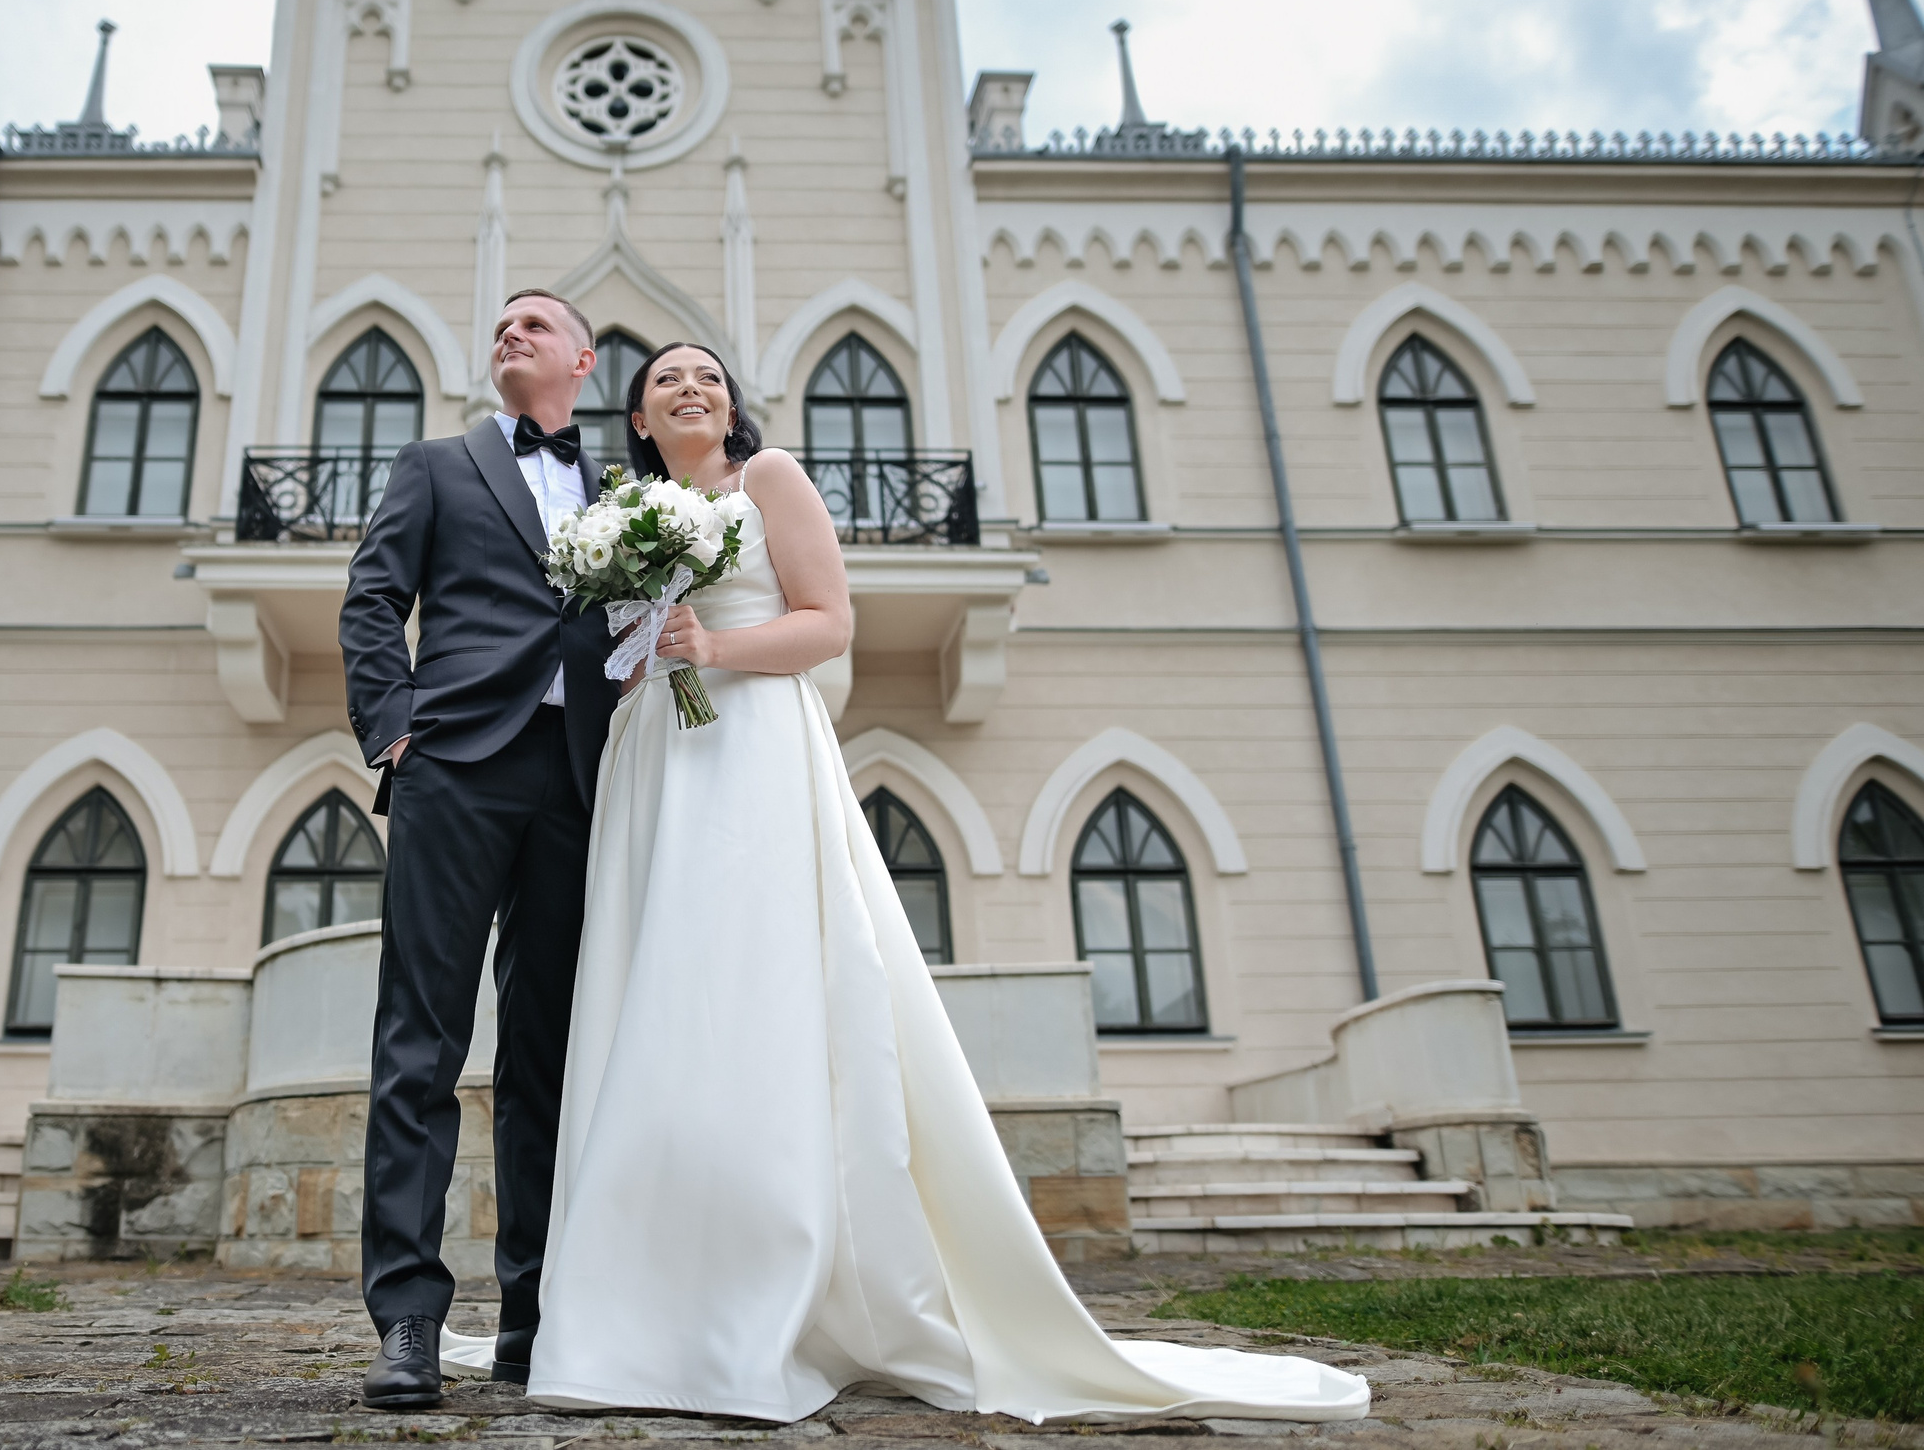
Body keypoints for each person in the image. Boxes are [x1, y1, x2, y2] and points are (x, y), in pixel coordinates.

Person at [445, 342, 1369, 1426]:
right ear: (639, 421)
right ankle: (640, 1295)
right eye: (664, 383)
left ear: (730, 405)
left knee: (749, 982)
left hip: (748, 745)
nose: (688, 388)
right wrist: (652, 651)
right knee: (659, 996)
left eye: (705, 375)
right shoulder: (626, 513)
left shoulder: (769, 480)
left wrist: (716, 645)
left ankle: (772, 1289)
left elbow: (831, 621)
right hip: (655, 757)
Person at [338, 290, 614, 1409]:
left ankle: (533, 1322)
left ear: (583, 360)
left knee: (546, 1056)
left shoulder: (626, 494)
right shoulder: (435, 463)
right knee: (421, 1041)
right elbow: (371, 597)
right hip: (456, 766)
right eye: (502, 324)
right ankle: (407, 1316)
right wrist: (393, 730)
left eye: (536, 324)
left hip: (582, 779)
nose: (512, 333)